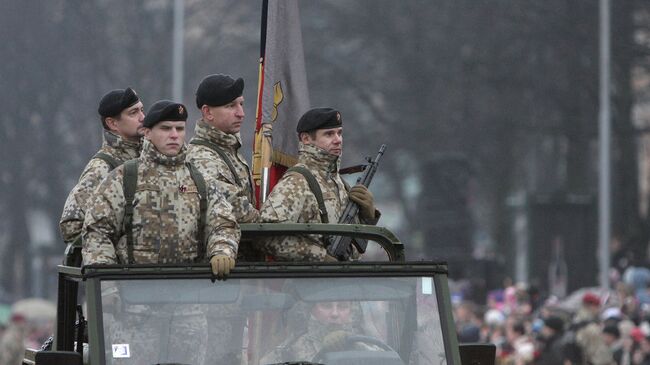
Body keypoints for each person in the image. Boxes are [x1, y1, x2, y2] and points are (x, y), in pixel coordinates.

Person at [259, 107, 379, 261]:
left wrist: (368, 216)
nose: (338, 139)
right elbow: (265, 237)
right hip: (310, 281)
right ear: (306, 139)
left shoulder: (337, 181)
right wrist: (320, 257)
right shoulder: (297, 182)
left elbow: (353, 243)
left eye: (339, 133)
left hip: (345, 279)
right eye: (329, 134)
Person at [59, 88, 144, 258]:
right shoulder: (103, 168)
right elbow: (71, 226)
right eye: (134, 113)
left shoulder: (148, 157)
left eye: (142, 110)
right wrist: (121, 248)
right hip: (121, 277)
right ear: (113, 123)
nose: (142, 117)